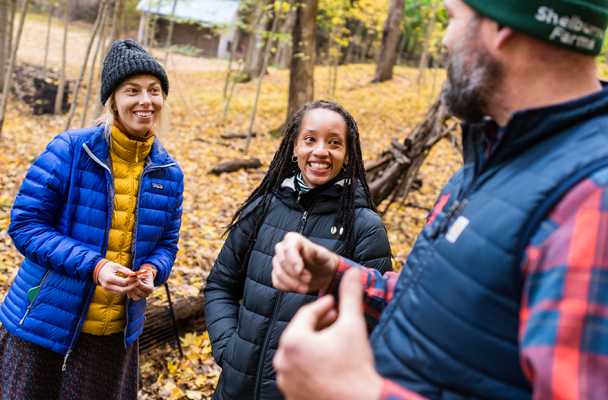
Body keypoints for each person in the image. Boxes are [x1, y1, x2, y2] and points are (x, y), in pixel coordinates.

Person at [271, 0, 608, 399]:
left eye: (452, 19)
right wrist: (339, 277)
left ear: (501, 26)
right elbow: (444, 305)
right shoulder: (490, 159)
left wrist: (356, 393)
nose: (445, 41)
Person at [0, 39, 184, 400]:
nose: (145, 101)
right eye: (133, 90)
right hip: (43, 321)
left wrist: (151, 271)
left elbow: (166, 244)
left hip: (112, 333)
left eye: (154, 91)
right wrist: (95, 266)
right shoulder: (71, 150)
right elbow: (25, 225)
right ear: (112, 98)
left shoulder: (169, 172)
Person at [204, 100, 393, 399]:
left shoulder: (364, 227)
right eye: (310, 139)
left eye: (334, 143)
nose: (320, 151)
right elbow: (219, 285)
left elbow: (374, 320)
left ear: (347, 155)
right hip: (235, 387)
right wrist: (229, 348)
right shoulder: (262, 209)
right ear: (294, 147)